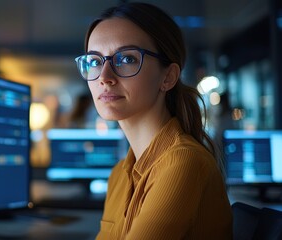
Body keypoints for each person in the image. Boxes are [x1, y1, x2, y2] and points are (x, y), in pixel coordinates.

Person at [74, 2, 232, 239]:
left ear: (168, 77)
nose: (104, 78)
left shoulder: (183, 162)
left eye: (126, 59)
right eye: (95, 61)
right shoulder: (119, 174)